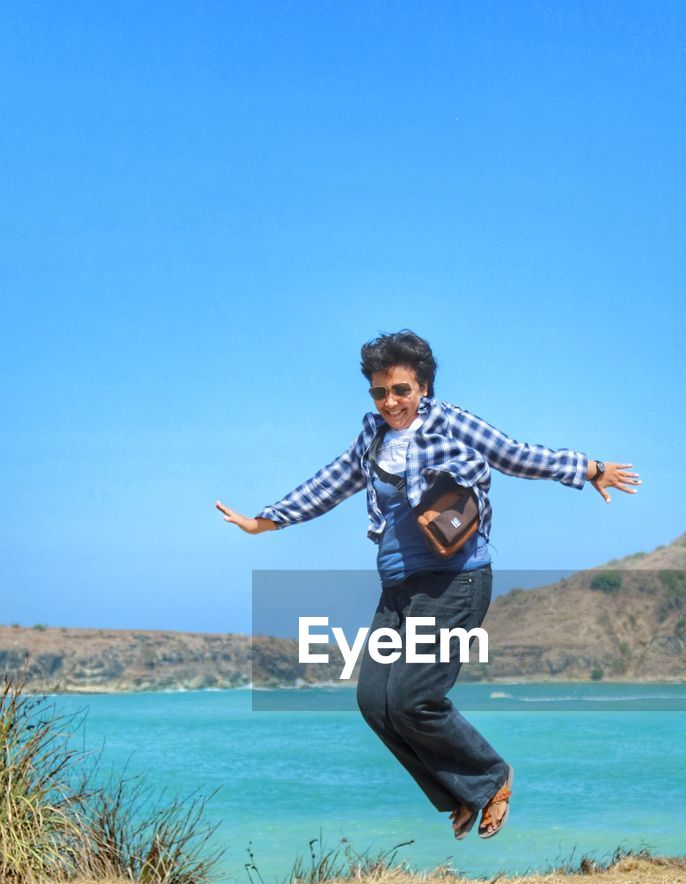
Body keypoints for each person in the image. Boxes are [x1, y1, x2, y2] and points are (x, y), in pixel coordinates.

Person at [216, 331, 640, 840]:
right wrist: (268, 521)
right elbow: (328, 483)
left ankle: (490, 776)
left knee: (414, 697)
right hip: (398, 588)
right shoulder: (372, 435)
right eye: (380, 392)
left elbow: (516, 455)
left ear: (423, 387)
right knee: (375, 701)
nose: (390, 402)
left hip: (454, 582)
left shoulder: (452, 423)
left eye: (400, 390)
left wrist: (589, 468)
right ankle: (458, 795)